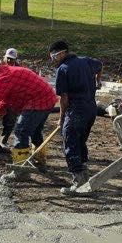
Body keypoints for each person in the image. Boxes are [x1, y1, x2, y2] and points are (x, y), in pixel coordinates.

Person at [0, 56, 57, 181]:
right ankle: (39, 160)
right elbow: (7, 97)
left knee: (21, 130)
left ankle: (21, 172)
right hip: (47, 97)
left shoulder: (2, 78)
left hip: (39, 99)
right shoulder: (5, 73)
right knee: (34, 130)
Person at [49, 39, 102, 194]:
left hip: (76, 111)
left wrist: (61, 117)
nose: (53, 59)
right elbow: (100, 65)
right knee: (80, 142)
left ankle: (78, 182)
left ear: (62, 53)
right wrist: (98, 81)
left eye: (54, 56)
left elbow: (63, 98)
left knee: (71, 145)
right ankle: (85, 178)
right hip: (91, 109)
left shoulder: (63, 69)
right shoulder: (85, 61)